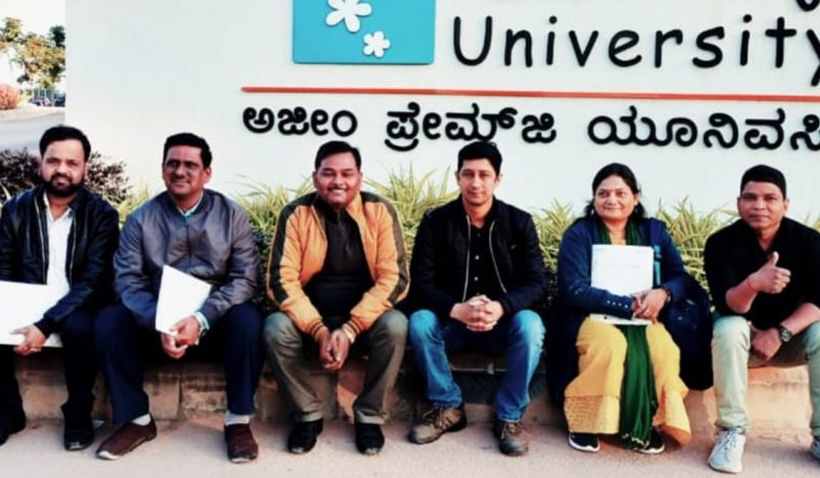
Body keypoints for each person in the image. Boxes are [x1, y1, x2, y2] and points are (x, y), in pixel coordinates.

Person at [94, 132, 263, 463]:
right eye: (172, 164)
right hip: (157, 326)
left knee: (248, 320)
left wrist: (201, 319)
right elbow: (127, 281)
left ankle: (238, 422)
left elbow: (246, 278)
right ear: (162, 170)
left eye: (190, 165)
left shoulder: (231, 216)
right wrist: (161, 323)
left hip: (213, 323)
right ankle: (137, 420)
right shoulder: (141, 220)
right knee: (109, 322)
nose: (180, 171)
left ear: (206, 173)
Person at [0, 126, 119, 451]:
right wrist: (11, 315)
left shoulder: (101, 215)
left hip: (76, 304)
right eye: (53, 161)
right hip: (26, 301)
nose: (62, 169)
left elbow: (93, 280)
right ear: (41, 163)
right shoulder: (16, 209)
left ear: (85, 168)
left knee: (80, 328)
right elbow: (1, 269)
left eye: (72, 163)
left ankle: (78, 412)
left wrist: (45, 324)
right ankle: (5, 414)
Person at [264, 140, 409, 456]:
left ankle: (369, 416)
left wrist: (351, 329)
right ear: (315, 177)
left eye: (347, 173)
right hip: (310, 323)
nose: (338, 181)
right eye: (328, 173)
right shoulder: (296, 214)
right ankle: (307, 414)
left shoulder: (379, 211)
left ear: (360, 177)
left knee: (396, 325)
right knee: (275, 327)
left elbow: (394, 279)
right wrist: (319, 330)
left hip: (364, 324)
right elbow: (281, 281)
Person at [705, 165, 820, 476]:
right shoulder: (721, 243)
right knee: (728, 328)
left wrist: (779, 333)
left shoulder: (808, 241)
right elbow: (728, 304)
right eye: (750, 198)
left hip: (791, 340)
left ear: (785, 204)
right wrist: (754, 283)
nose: (759, 206)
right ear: (739, 202)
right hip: (741, 343)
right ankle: (731, 430)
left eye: (770, 198)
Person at [552, 163, 706, 455]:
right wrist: (628, 306)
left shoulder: (654, 232)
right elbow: (573, 288)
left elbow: (680, 277)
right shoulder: (580, 233)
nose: (611, 199)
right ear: (594, 198)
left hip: (646, 316)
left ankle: (648, 422)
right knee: (609, 346)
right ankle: (585, 423)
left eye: (620, 193)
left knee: (663, 350)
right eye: (603, 194)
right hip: (590, 315)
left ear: (635, 198)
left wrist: (663, 293)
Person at [406, 141, 546, 456]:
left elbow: (538, 282)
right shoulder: (436, 222)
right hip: (452, 324)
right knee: (420, 321)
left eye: (484, 175)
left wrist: (500, 307)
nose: (476, 183)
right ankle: (448, 406)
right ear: (457, 177)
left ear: (498, 179)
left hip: (502, 326)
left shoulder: (519, 222)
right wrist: (456, 309)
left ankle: (508, 416)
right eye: (468, 174)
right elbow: (421, 283)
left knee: (531, 325)